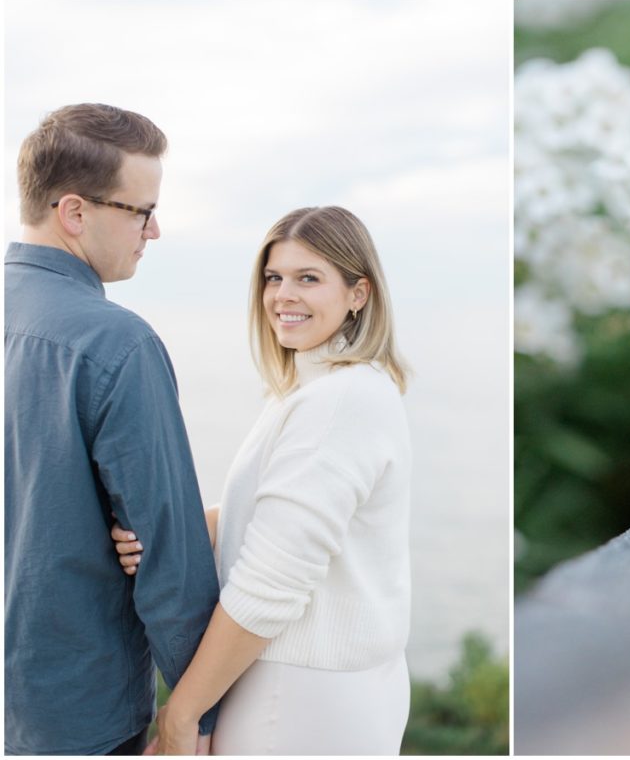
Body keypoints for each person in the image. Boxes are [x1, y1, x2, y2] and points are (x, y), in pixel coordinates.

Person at [113, 206, 412, 754]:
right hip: (318, 691)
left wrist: (183, 713)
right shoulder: (321, 389)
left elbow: (269, 585)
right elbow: (269, 518)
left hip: (298, 698)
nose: (282, 295)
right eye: (274, 278)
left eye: (308, 278)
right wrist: (165, 538)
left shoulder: (338, 401)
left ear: (358, 293)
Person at [4, 103, 221, 755]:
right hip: (79, 717)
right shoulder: (116, 344)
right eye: (141, 210)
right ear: (74, 212)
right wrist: (197, 724)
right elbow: (169, 557)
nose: (152, 231)